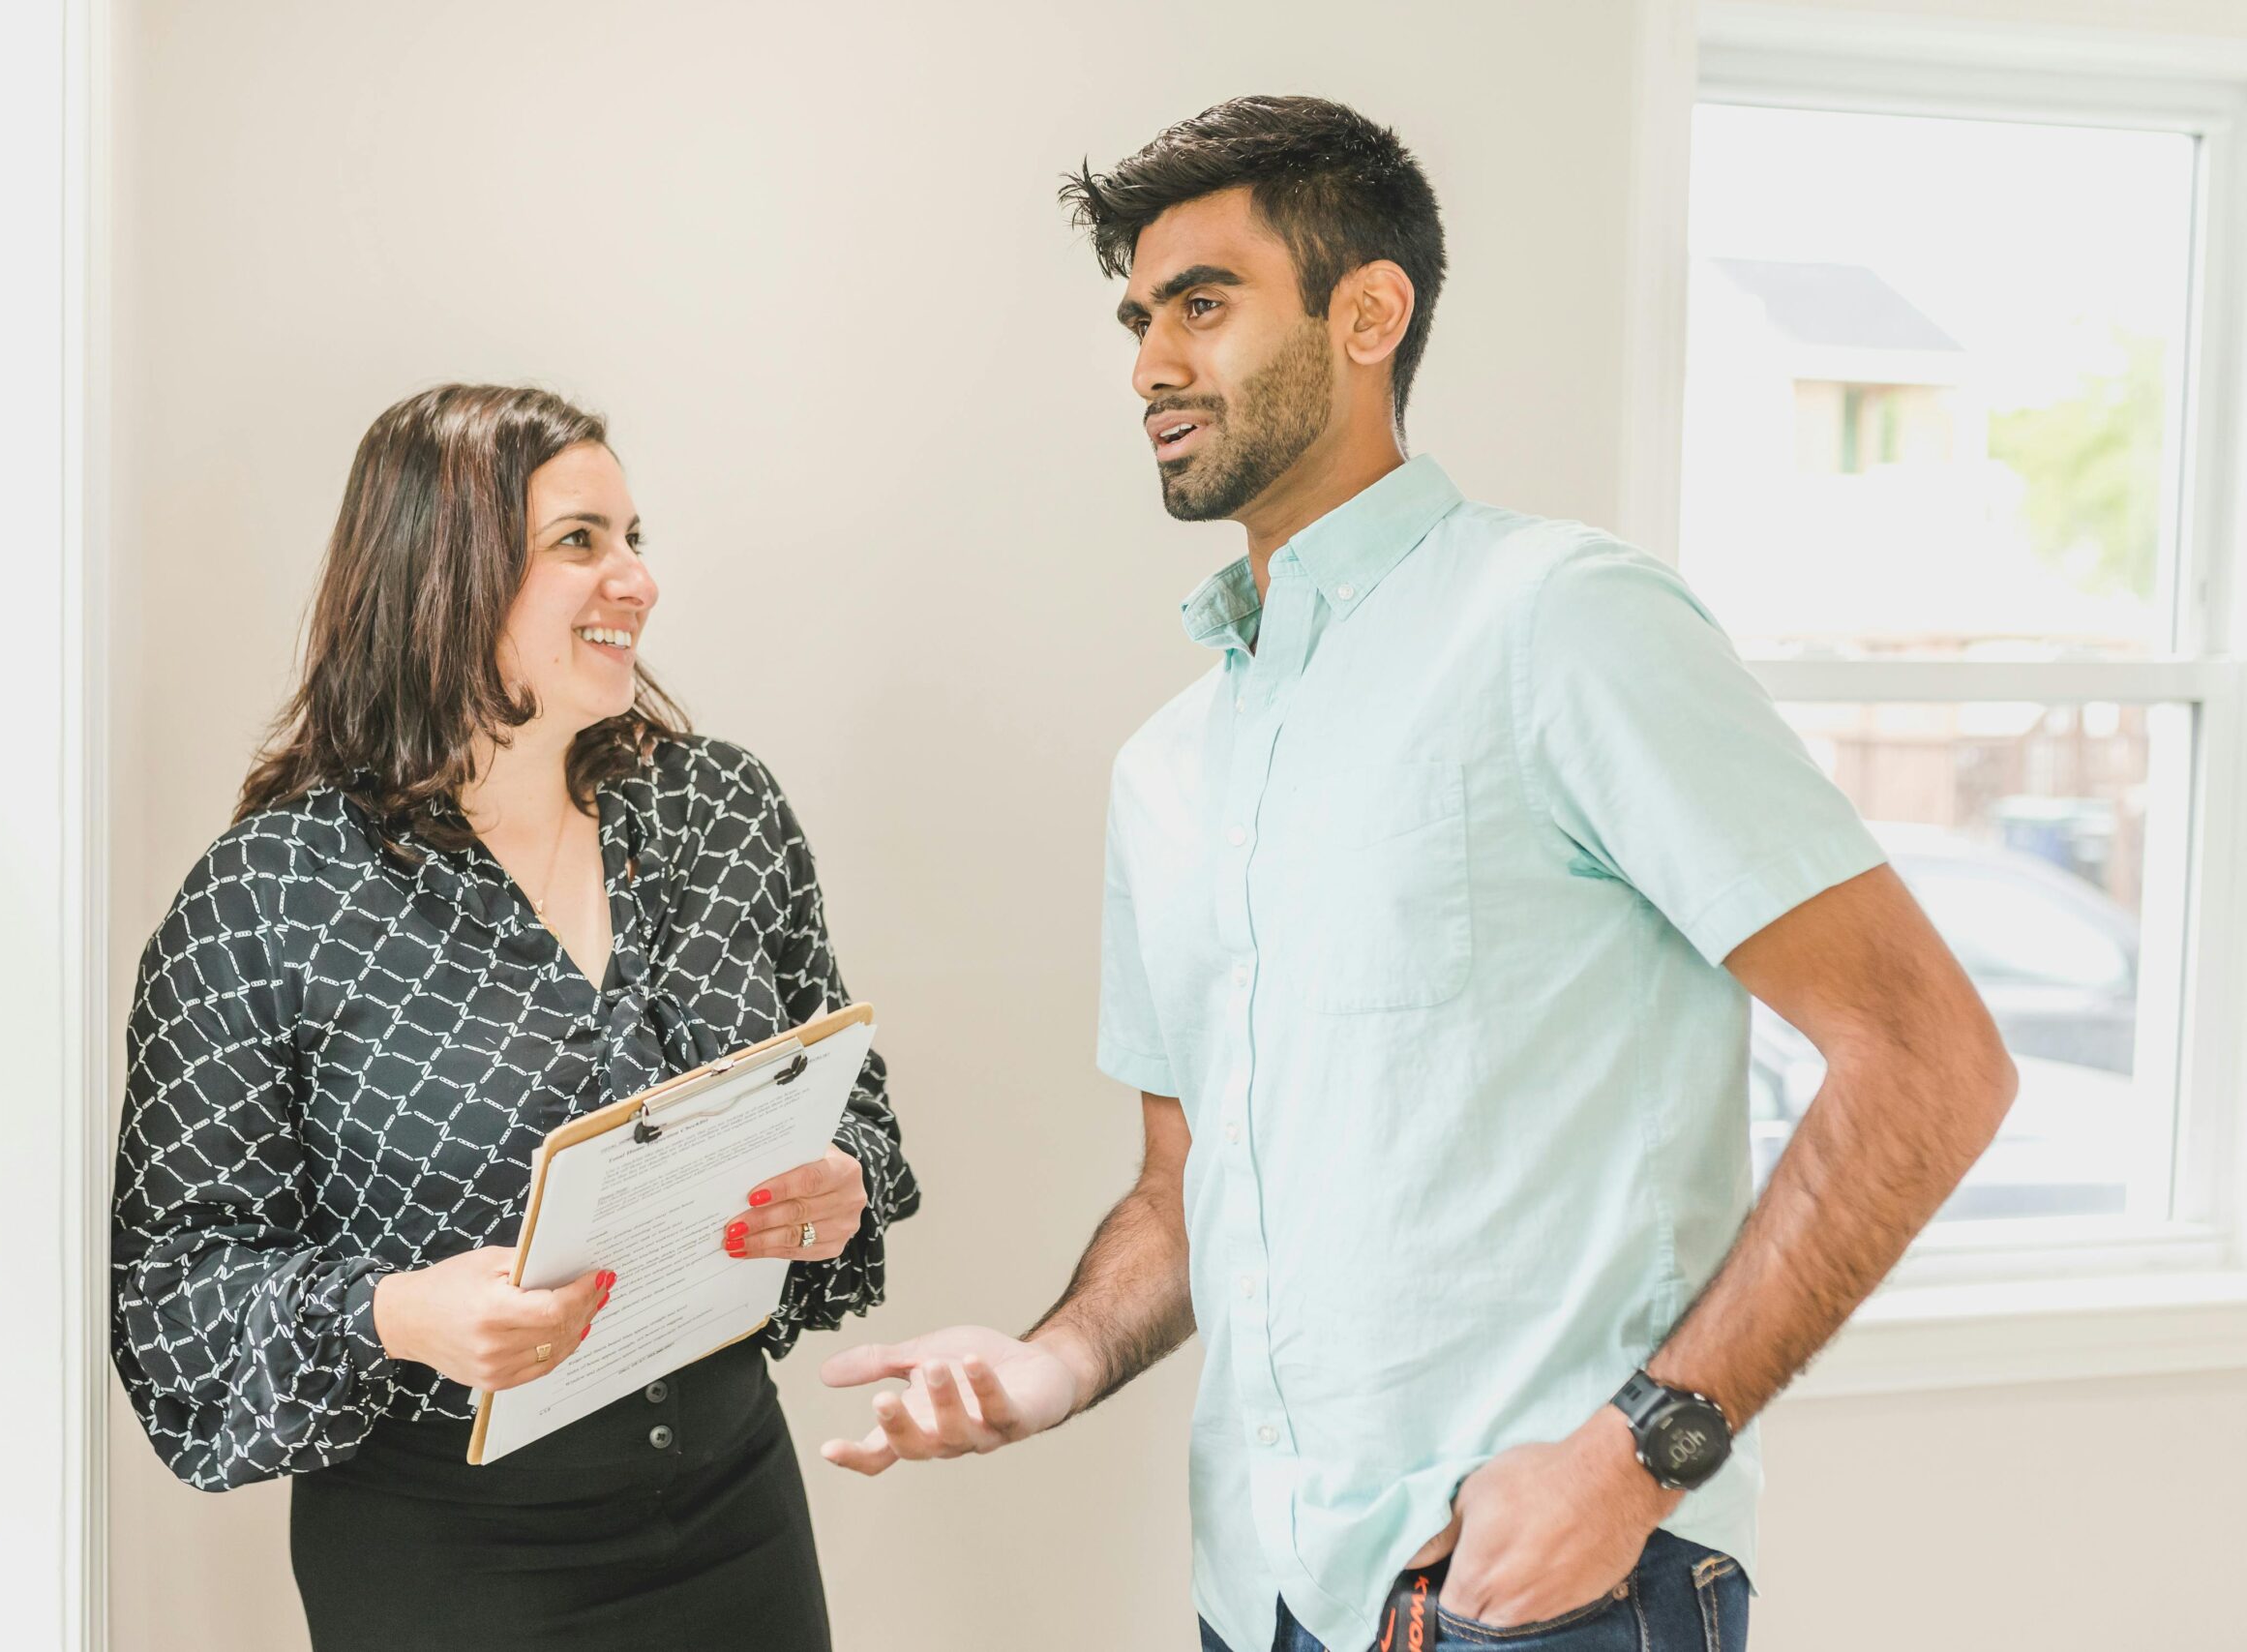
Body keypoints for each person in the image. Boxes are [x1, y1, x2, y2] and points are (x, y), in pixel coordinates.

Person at [821, 97, 2014, 1652]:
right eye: (1137, 319)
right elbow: (1192, 1192)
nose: (1150, 365)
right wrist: (1050, 1364)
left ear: (1368, 312)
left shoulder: (1563, 625)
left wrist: (1641, 1456)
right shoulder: (1171, 768)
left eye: (1203, 303)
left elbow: (1930, 1062)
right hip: (1262, 1597)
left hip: (1553, 1591)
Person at [111, 383, 918, 1652]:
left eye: (635, 539)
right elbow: (171, 1302)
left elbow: (848, 1091)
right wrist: (397, 1315)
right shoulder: (268, 899)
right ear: (444, 575)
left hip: (735, 1512)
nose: (638, 581)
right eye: (581, 542)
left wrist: (838, 1181)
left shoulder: (721, 814)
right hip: (449, 1561)